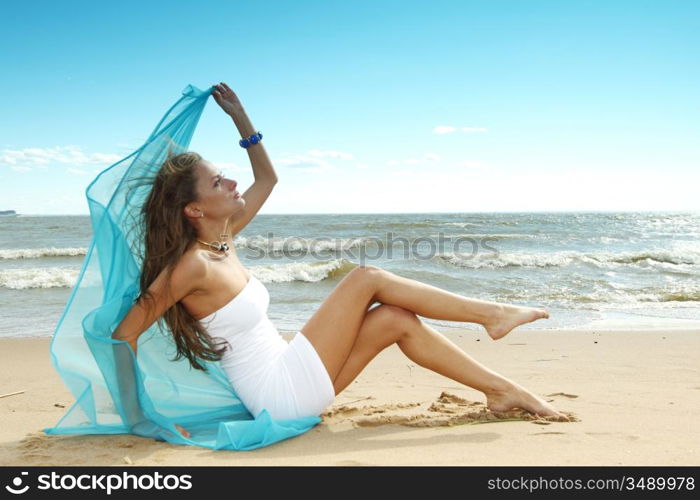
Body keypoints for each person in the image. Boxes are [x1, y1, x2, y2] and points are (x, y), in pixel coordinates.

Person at [111, 82, 566, 439]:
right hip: (279, 395)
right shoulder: (191, 266)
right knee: (366, 277)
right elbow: (123, 336)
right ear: (194, 210)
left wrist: (241, 120)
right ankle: (493, 315)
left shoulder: (223, 239)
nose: (231, 184)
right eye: (217, 183)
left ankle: (501, 391)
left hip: (288, 377)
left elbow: (267, 176)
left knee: (394, 319)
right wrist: (139, 419)